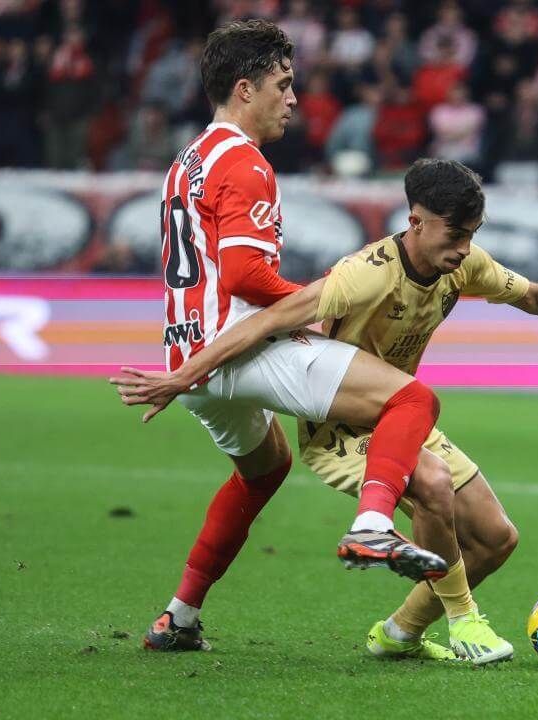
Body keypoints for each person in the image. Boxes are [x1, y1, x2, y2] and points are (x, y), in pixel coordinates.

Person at [118, 159, 538, 662]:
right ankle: (463, 620)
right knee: (430, 481)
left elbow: (534, 297)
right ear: (415, 221)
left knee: (496, 540)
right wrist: (184, 375)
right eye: (454, 234)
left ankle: (398, 634)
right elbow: (264, 322)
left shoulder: (465, 264)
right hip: (341, 431)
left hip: (401, 420)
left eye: (471, 235)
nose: (463, 249)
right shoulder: (363, 274)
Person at [110, 20, 451, 654]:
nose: (294, 99)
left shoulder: (187, 161)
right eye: (283, 85)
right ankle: (373, 523)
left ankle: (179, 617)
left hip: (187, 355)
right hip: (240, 348)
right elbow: (245, 274)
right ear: (245, 90)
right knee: (412, 399)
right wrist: (310, 307)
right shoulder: (246, 163)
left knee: (265, 469)